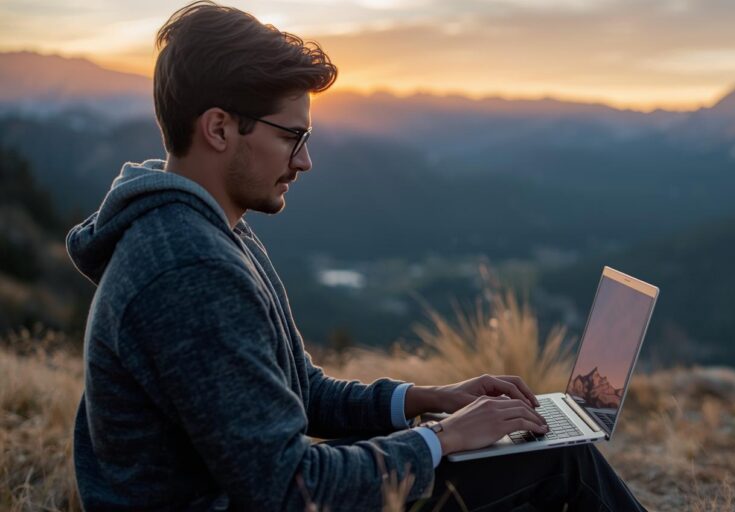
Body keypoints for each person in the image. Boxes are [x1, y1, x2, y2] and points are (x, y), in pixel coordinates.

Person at [66, 1, 647, 510]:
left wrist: (432, 401)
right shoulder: (189, 269)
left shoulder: (208, 231)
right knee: (559, 464)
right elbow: (290, 489)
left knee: (516, 458)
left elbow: (303, 393)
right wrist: (441, 440)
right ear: (219, 128)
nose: (305, 161)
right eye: (292, 137)